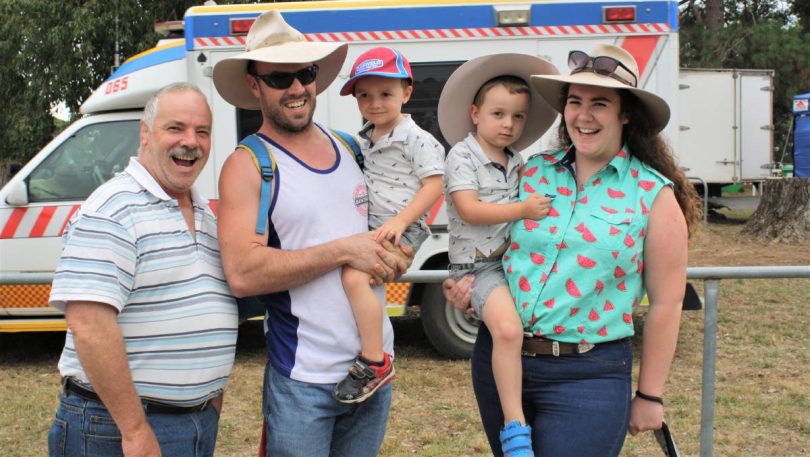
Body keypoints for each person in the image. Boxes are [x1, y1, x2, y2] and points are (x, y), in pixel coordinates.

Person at [444, 44, 701, 456]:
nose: (583, 115)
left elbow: (667, 304)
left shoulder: (652, 194)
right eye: (575, 101)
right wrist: (470, 287)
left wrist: (650, 395)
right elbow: (495, 246)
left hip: (588, 376)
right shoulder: (533, 171)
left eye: (599, 103)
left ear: (625, 112)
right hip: (500, 362)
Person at [212, 11, 413, 457]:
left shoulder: (352, 146)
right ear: (254, 85)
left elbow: (386, 236)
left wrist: (398, 255)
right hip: (304, 381)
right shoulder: (248, 165)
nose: (297, 88)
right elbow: (243, 274)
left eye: (305, 74)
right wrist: (346, 250)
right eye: (280, 79)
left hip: (374, 372)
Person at [46, 82, 238, 457]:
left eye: (202, 132)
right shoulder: (112, 209)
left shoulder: (204, 213)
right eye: (176, 128)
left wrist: (209, 399)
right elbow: (89, 325)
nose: (191, 141)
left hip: (191, 423)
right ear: (145, 134)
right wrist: (134, 430)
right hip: (114, 428)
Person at [437, 53, 558, 457]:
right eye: (499, 113)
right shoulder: (461, 156)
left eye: (518, 117)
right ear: (475, 114)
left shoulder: (517, 160)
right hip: (478, 266)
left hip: (513, 259)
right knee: (507, 330)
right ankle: (514, 424)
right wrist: (523, 209)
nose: (509, 124)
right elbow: (469, 209)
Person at [333, 46, 444, 403]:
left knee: (353, 277)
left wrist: (401, 220)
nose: (374, 103)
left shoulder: (417, 139)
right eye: (364, 95)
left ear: (407, 93)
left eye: (385, 94)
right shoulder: (367, 137)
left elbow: (435, 184)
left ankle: (374, 360)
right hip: (377, 226)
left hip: (399, 226)